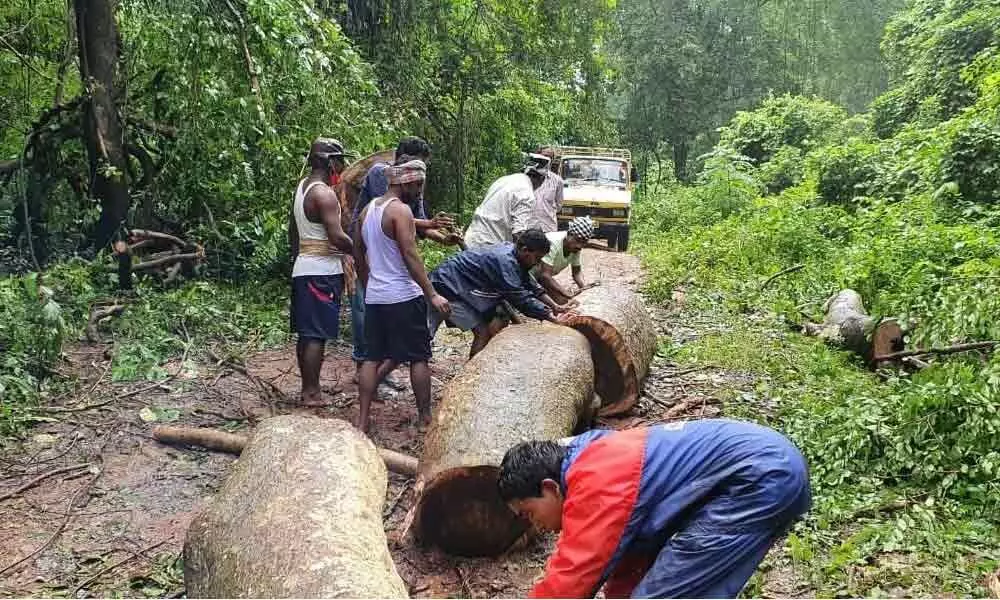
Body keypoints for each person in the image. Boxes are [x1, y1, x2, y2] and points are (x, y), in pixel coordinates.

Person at [497, 419, 811, 599]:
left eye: (528, 513)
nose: (535, 525)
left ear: (549, 487)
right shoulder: (592, 458)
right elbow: (628, 559)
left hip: (759, 477)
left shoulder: (596, 478)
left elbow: (573, 576)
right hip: (766, 470)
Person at [349, 136, 462, 386]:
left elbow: (416, 221)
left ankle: (378, 370)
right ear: (404, 161)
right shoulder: (385, 174)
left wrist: (442, 238)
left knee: (384, 313)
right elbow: (393, 216)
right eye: (418, 167)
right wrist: (431, 293)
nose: (420, 180)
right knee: (366, 307)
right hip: (373, 245)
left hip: (392, 248)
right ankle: (366, 364)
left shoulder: (413, 182)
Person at [354, 159, 451, 434]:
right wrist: (431, 294)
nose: (420, 191)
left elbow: (358, 253)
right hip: (403, 296)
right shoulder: (401, 211)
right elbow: (410, 254)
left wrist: (369, 284)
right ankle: (424, 418)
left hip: (376, 297)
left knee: (371, 358)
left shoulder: (368, 211)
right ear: (405, 182)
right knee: (418, 356)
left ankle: (362, 421)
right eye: (418, 185)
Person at [427, 229, 571, 358]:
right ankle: (473, 374)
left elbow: (530, 283)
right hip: (447, 285)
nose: (537, 263)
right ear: (525, 250)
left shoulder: (515, 254)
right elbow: (520, 298)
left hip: (459, 285)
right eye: (537, 258)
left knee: (489, 324)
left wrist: (554, 306)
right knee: (481, 331)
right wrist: (551, 317)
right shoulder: (504, 262)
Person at [288, 138, 354, 406]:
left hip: (304, 266)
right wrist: (359, 248)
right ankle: (312, 392)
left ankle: (308, 387)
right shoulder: (324, 194)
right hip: (321, 270)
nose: (343, 166)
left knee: (306, 332)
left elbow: (293, 232)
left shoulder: (303, 187)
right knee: (316, 334)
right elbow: (337, 237)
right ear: (330, 162)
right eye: (340, 160)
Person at [464, 161, 549, 249]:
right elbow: (518, 233)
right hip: (490, 245)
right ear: (542, 179)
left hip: (472, 238)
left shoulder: (503, 180)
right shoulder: (527, 194)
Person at [532, 216, 600, 305]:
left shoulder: (575, 248)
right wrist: (565, 293)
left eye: (584, 243)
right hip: (529, 276)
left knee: (564, 302)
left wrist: (584, 288)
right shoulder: (554, 242)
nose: (580, 246)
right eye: (578, 240)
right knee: (562, 302)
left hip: (540, 278)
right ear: (569, 234)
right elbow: (545, 275)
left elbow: (576, 272)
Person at [532, 148, 565, 232]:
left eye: (550, 158)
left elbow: (559, 205)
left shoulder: (558, 181)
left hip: (548, 227)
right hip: (530, 226)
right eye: (545, 156)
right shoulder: (528, 178)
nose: (547, 160)